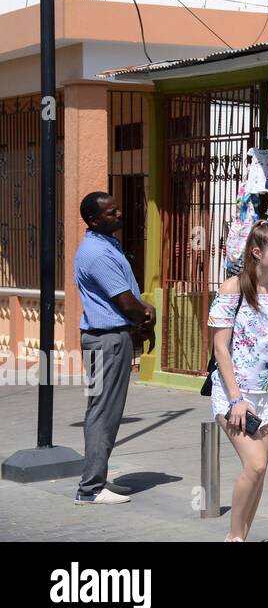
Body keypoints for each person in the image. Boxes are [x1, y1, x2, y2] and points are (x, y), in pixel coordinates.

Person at [208, 222, 268, 542]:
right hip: (235, 395)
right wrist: (236, 398)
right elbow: (219, 347)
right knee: (255, 467)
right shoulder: (232, 289)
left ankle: (242, 537)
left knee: (260, 470)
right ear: (257, 252)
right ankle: (234, 537)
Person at [72, 192, 156, 506]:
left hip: (108, 338)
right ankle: (90, 488)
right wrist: (146, 317)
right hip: (107, 340)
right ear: (93, 220)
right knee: (103, 413)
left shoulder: (105, 244)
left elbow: (130, 301)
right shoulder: (98, 253)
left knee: (103, 411)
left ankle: (96, 482)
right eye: (111, 212)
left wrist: (145, 313)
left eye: (118, 208)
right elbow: (126, 303)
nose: (119, 214)